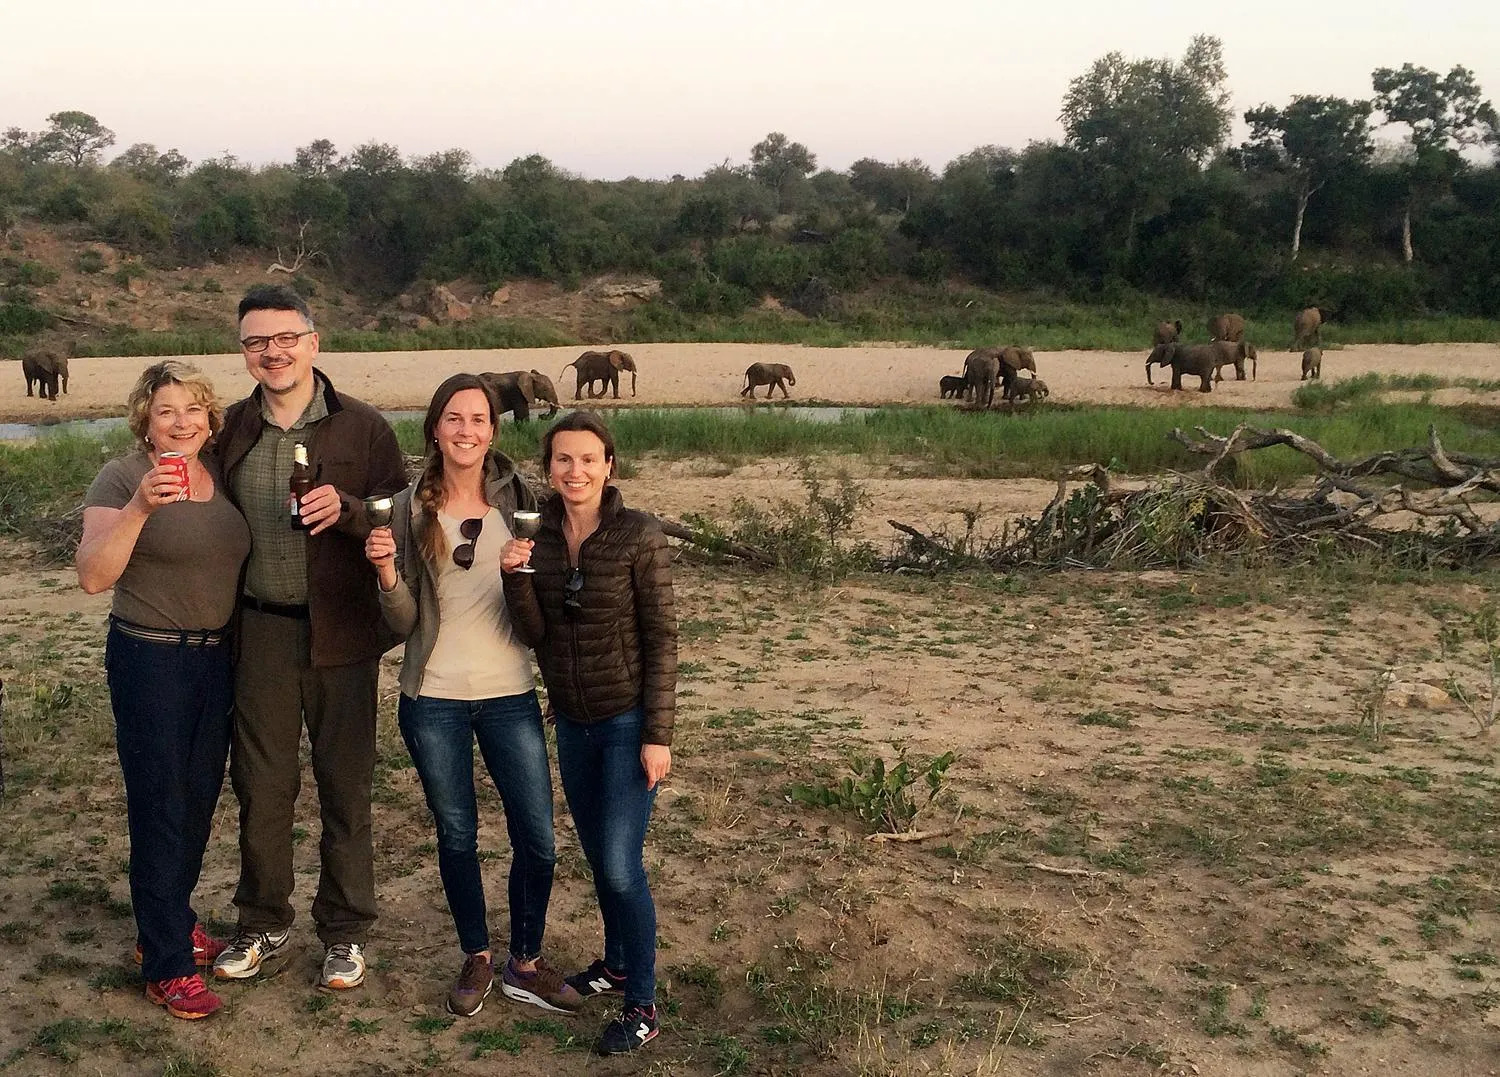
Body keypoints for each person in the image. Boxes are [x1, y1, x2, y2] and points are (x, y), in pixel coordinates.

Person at [363, 373, 580, 1017]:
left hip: (511, 693)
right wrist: (385, 572)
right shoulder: (407, 509)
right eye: (454, 418)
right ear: (435, 428)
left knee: (537, 836)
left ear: (493, 429)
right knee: (457, 833)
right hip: (433, 698)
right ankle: (477, 954)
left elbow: (545, 602)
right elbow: (402, 622)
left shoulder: (522, 501)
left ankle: (525, 962)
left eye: (479, 419)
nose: (467, 430)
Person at [211, 285, 406, 991]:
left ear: (313, 342)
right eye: (257, 341)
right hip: (259, 628)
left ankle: (345, 931)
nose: (274, 351)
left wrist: (349, 509)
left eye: (286, 337)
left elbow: (398, 512)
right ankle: (263, 920)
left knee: (345, 786)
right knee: (262, 786)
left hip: (343, 634)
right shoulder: (230, 428)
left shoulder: (364, 427)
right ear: (244, 352)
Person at [76, 361, 251, 1020]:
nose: (181, 422)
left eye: (193, 409)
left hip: (217, 659)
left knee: (199, 798)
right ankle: (168, 964)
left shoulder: (221, 476)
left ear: (210, 419)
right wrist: (141, 507)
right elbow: (93, 575)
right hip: (150, 659)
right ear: (145, 423)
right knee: (161, 805)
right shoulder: (122, 478)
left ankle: (171, 920)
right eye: (166, 411)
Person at [501, 411, 677, 1055]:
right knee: (601, 856)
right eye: (562, 459)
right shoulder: (538, 535)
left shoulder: (638, 535)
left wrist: (657, 734)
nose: (575, 471)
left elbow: (662, 637)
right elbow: (534, 634)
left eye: (587, 459)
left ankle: (643, 1006)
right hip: (573, 724)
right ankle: (618, 964)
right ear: (548, 468)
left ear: (609, 466)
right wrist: (515, 579)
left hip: (628, 722)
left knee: (621, 866)